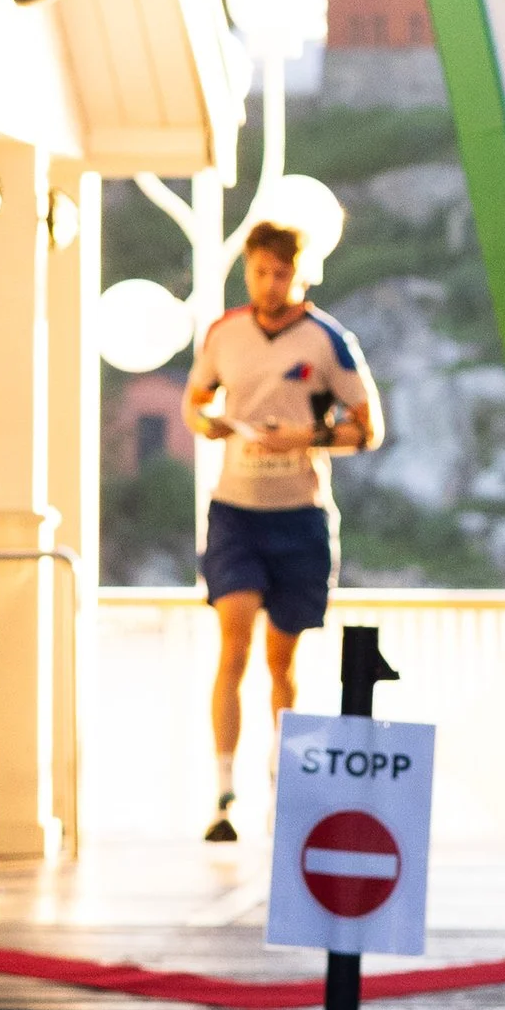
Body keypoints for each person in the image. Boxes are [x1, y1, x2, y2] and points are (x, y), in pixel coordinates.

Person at [181, 218, 383, 841]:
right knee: (233, 644)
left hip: (300, 515)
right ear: (248, 270)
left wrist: (307, 436)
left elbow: (368, 428)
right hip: (236, 511)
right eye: (260, 271)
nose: (270, 283)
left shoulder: (329, 341)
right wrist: (207, 422)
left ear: (301, 273)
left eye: (282, 272)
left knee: (282, 661)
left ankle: (283, 786)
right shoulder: (224, 333)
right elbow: (194, 401)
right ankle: (222, 796)